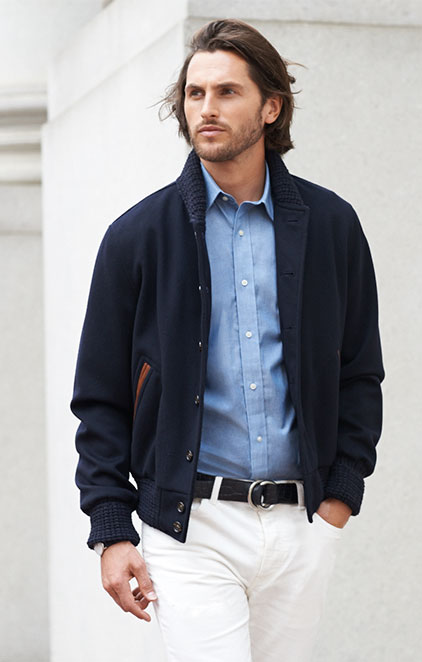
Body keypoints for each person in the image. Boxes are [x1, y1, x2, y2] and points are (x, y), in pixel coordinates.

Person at [71, 18, 384, 662]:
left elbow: (359, 370)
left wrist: (339, 497)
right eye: (195, 93)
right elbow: (100, 397)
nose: (206, 108)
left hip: (302, 524)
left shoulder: (331, 226)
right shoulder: (137, 237)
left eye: (226, 92)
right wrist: (111, 527)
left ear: (271, 107)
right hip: (190, 529)